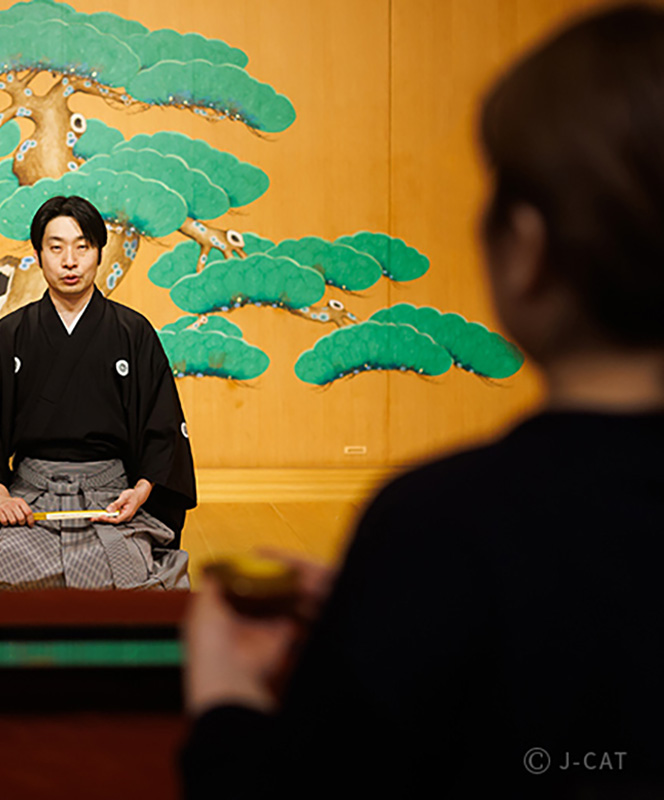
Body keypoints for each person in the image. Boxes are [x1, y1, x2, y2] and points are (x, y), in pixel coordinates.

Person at [181, 3, 664, 797]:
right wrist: (386, 608)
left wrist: (227, 695)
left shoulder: (441, 528)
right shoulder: (439, 543)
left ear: (528, 249)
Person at [0, 195, 195, 590]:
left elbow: (162, 427)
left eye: (82, 246)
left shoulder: (133, 333)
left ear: (99, 253)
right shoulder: (9, 336)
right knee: (5, 569)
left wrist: (140, 492)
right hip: (30, 500)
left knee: (125, 574)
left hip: (111, 499)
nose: (70, 261)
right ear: (38, 254)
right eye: (56, 247)